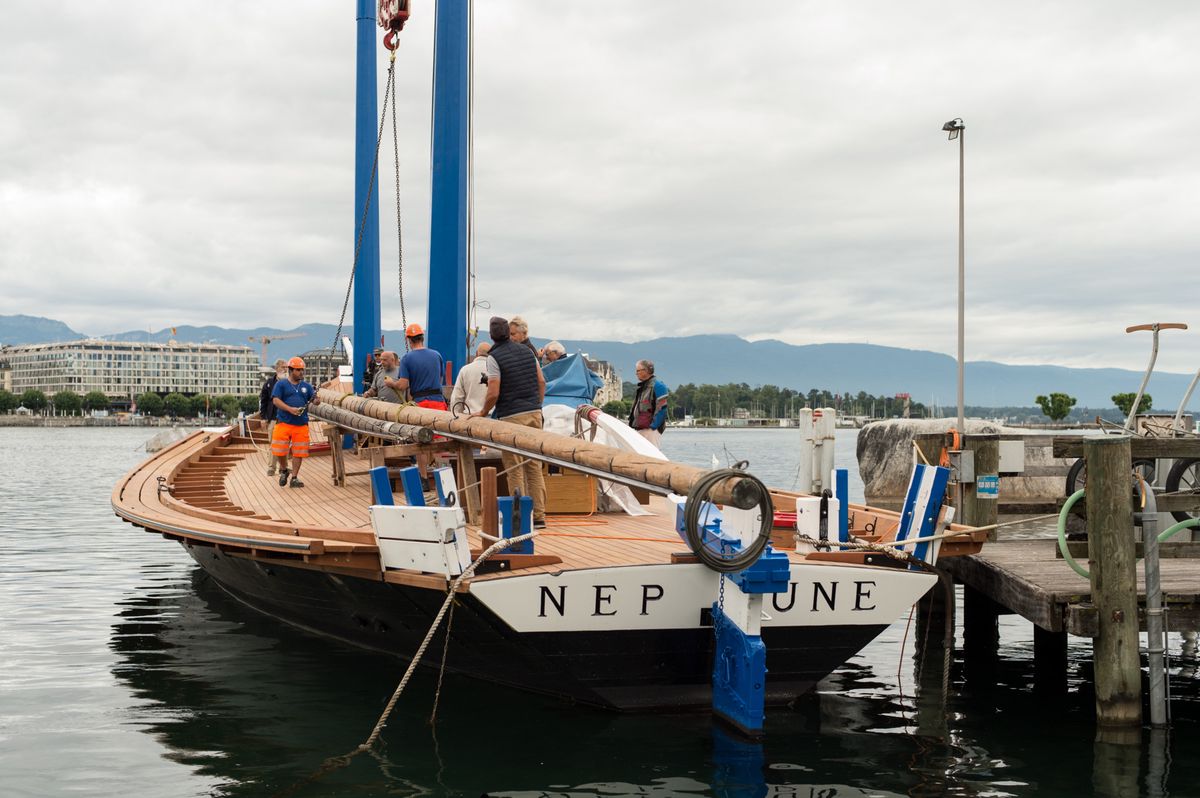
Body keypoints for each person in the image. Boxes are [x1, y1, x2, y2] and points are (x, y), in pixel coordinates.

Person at [475, 316, 547, 528]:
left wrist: (483, 412)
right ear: (509, 332)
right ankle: (540, 516)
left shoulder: (494, 357)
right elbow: (541, 381)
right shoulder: (527, 351)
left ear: (491, 336)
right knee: (534, 464)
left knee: (514, 466)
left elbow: (493, 392)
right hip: (534, 412)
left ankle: (521, 517)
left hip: (511, 416)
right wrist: (537, 405)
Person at [271, 356, 321, 488]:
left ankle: (294, 477)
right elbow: (275, 400)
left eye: (302, 370)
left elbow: (314, 399)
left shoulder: (306, 386)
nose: (301, 373)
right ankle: (283, 469)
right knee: (279, 450)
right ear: (291, 370)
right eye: (298, 370)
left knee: (299, 452)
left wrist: (316, 400)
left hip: (301, 424)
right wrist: (290, 409)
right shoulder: (281, 384)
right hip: (283, 423)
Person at [393, 323, 448, 409]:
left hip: (420, 404)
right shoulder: (437, 355)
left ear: (409, 340)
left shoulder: (406, 358)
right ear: (422, 338)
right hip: (438, 403)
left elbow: (402, 386)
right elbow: (440, 379)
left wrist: (391, 383)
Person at [628, 359, 669, 447]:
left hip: (650, 431)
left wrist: (653, 427)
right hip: (641, 428)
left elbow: (662, 409)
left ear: (646, 371)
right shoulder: (643, 387)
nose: (636, 373)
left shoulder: (659, 386)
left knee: (652, 456)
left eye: (638, 370)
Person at [258, 359, 287, 476]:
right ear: (277, 369)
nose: (286, 369)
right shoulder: (269, 383)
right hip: (273, 418)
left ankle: (283, 467)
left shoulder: (290, 383)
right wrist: (263, 418)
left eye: (286, 367)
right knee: (273, 444)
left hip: (286, 419)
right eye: (283, 367)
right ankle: (271, 467)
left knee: (284, 444)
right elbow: (263, 401)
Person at [450, 342, 491, 415]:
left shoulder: (465, 370)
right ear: (491, 355)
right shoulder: (496, 371)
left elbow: (457, 397)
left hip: (470, 417)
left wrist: (456, 415)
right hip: (492, 418)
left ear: (476, 353)